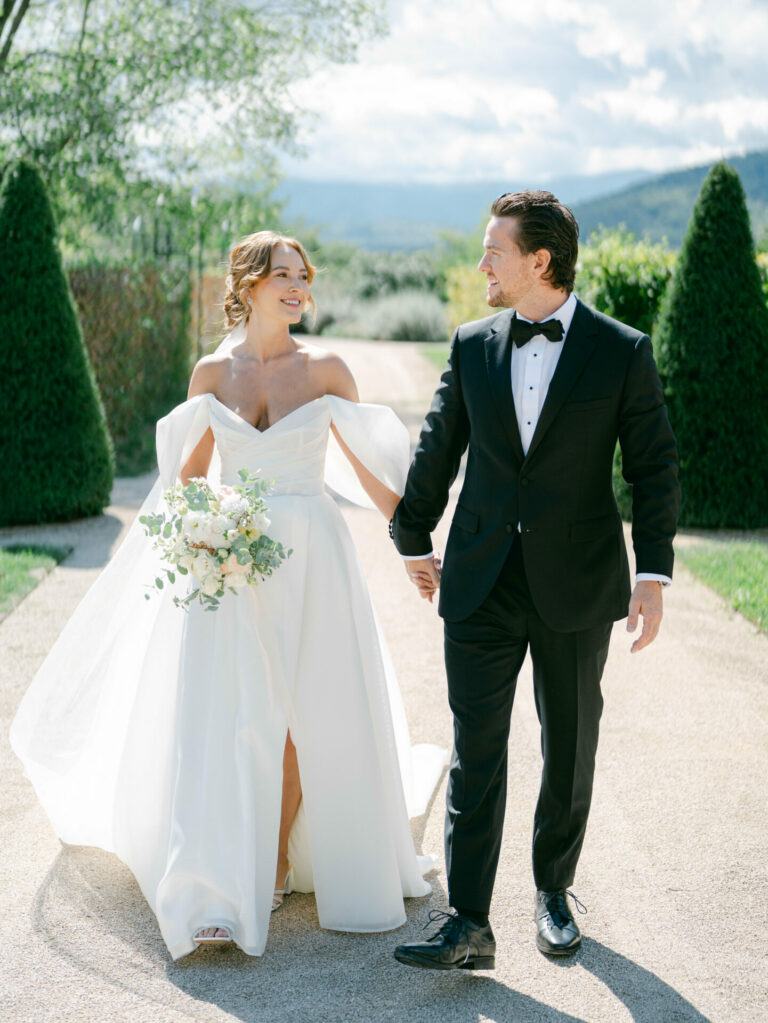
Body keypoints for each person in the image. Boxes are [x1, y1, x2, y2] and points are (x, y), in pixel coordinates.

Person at [11, 231, 445, 960]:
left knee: (311, 713)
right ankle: (214, 884)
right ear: (248, 284)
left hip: (316, 558)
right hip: (235, 566)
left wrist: (412, 544)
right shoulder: (211, 375)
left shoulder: (328, 369)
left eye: (304, 275)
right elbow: (185, 482)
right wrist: (205, 536)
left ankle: (274, 859)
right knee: (232, 715)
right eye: (285, 275)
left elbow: (370, 469)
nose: (300, 285)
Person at [390, 191, 680, 971]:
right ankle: (470, 921)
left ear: (538, 261)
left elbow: (653, 469)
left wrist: (651, 572)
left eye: (494, 250)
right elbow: (437, 448)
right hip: (481, 578)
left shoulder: (621, 350)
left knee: (570, 743)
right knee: (476, 747)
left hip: (579, 583)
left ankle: (553, 892)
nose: (481, 262)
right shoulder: (471, 343)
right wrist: (411, 535)